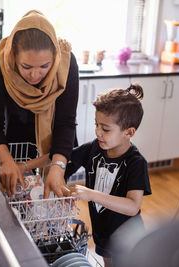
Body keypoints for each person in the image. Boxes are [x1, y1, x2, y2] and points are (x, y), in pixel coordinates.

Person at [0, 10, 79, 198]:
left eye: (44, 66)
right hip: (10, 149)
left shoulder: (65, 65)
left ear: (55, 58)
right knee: (14, 214)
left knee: (52, 216)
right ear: (13, 55)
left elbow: (65, 123)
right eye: (26, 67)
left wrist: (57, 168)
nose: (35, 75)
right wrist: (7, 162)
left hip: (56, 152)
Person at [65, 84, 152, 267]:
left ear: (129, 132)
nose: (98, 132)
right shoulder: (94, 148)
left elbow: (132, 207)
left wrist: (90, 194)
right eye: (96, 125)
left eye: (105, 129)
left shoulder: (136, 163)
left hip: (127, 237)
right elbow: (62, 159)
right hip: (103, 230)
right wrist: (25, 166)